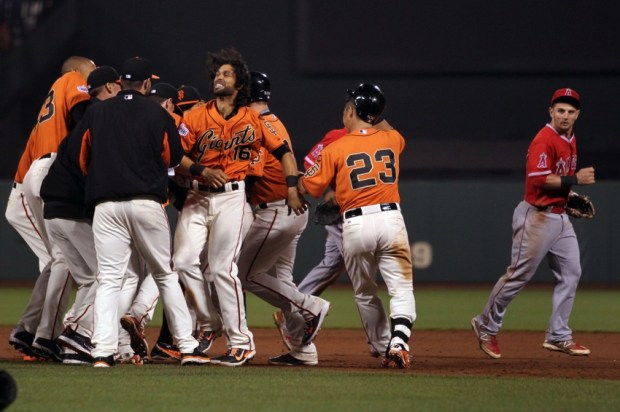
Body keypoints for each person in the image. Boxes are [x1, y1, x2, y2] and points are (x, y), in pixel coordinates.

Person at [173, 47, 306, 366]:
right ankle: (210, 321)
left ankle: (241, 341)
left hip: (233, 197)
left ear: (240, 82)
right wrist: (201, 170)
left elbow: (285, 152)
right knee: (182, 261)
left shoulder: (254, 118)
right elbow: (176, 156)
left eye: (227, 73)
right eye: (217, 73)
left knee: (221, 268)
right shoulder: (195, 115)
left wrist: (291, 188)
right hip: (198, 194)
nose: (219, 77)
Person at [75, 56, 207, 367]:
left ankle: (102, 352)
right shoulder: (158, 113)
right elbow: (172, 158)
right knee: (164, 274)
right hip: (146, 202)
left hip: (106, 205)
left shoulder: (97, 112)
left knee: (109, 279)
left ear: (120, 82)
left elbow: (81, 157)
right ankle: (187, 347)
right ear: (147, 84)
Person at [299, 83, 417, 369]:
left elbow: (310, 187)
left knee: (365, 291)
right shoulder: (393, 139)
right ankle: (399, 341)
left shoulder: (336, 147)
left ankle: (381, 344)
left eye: (348, 106)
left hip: (355, 224)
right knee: (401, 289)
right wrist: (374, 108)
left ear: (351, 110)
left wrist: (296, 179)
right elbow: (386, 125)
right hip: (391, 221)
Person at [471, 88, 595, 359]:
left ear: (577, 115)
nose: (565, 115)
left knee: (571, 272)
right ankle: (486, 324)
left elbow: (556, 176)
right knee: (518, 276)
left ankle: (558, 335)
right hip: (537, 217)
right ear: (551, 111)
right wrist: (574, 179)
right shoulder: (544, 139)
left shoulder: (571, 138)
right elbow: (538, 179)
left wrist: (567, 193)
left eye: (570, 111)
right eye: (560, 110)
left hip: (560, 218)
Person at [238, 71, 330, 367]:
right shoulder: (273, 120)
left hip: (274, 211)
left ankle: (310, 306)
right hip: (289, 210)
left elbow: (252, 172)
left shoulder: (257, 124)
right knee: (280, 280)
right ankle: (303, 349)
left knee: (245, 275)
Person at [7, 56, 95, 360]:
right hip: (44, 177)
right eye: (92, 73)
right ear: (79, 70)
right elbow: (86, 114)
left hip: (37, 177)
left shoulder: (49, 110)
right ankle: (43, 332)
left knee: (59, 261)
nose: (92, 82)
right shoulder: (71, 79)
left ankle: (34, 331)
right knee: (62, 259)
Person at [274, 126, 390, 358]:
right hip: (346, 215)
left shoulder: (378, 134)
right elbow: (309, 166)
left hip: (357, 212)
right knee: (363, 279)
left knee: (332, 264)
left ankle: (290, 313)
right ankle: (382, 344)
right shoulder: (337, 136)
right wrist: (329, 188)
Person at [39, 65, 122, 364]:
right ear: (111, 88)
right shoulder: (103, 117)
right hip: (70, 208)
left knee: (89, 279)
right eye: (119, 86)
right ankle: (77, 332)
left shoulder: (89, 117)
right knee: (108, 273)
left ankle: (74, 350)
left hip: (54, 210)